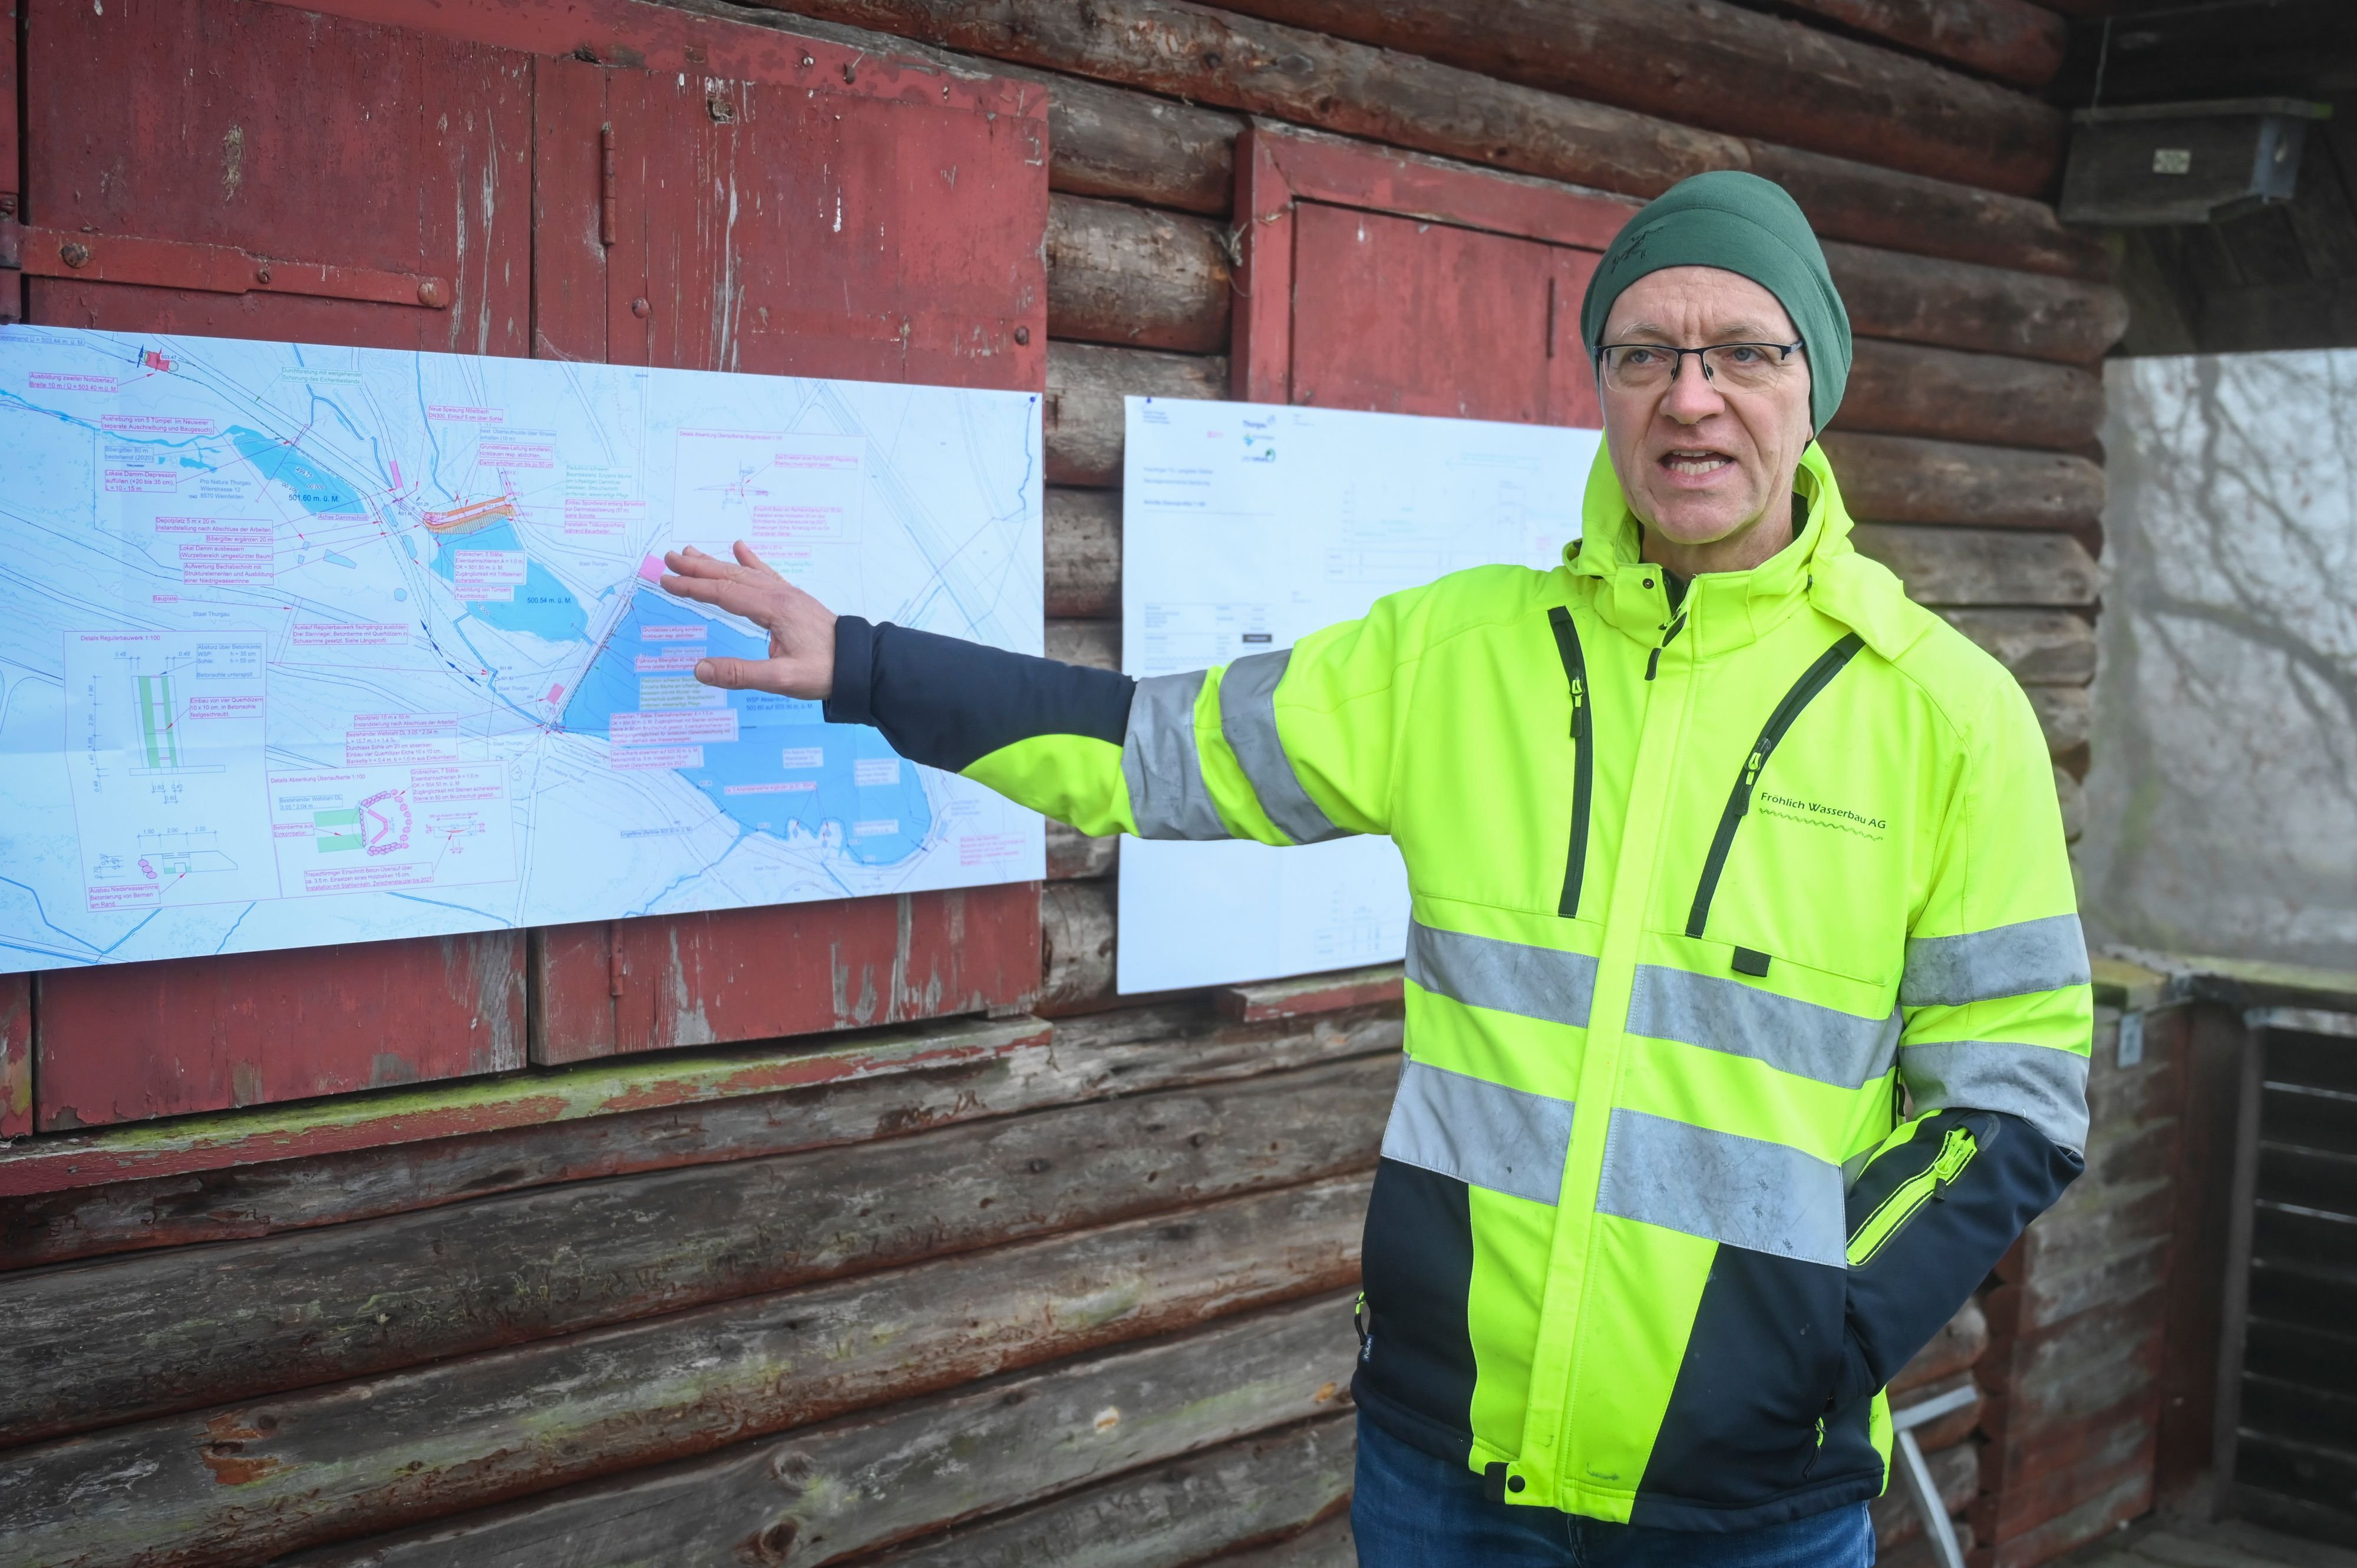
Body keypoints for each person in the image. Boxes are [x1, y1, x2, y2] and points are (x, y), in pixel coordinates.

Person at [658, 170, 2090, 1567]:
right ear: (1601, 385)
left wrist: (1819, 1329)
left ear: (1811, 381)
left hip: (1750, 1492)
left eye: (1743, 352)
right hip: (1444, 1457)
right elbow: (1146, 749)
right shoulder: (1454, 655)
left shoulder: (1945, 716)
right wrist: (864, 663)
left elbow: (2014, 1089)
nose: (1690, 394)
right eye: (1642, 351)